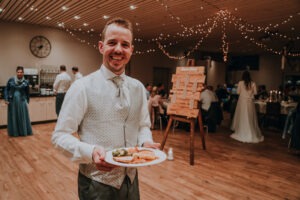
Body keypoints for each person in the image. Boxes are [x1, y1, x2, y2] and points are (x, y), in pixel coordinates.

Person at [52, 17, 160, 200]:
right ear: (101, 47)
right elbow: (59, 136)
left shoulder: (138, 88)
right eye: (112, 43)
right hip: (96, 183)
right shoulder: (82, 87)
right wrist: (91, 152)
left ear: (131, 50)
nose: (118, 49)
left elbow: (142, 126)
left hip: (131, 180)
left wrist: (145, 143)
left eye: (125, 45)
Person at [230, 70, 264, 143]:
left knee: (242, 116)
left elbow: (238, 92)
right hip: (249, 101)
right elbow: (255, 93)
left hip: (242, 101)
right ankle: (251, 132)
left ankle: (242, 130)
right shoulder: (253, 83)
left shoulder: (240, 83)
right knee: (250, 116)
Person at [4, 66, 32, 137]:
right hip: (12, 100)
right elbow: (6, 89)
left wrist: (27, 100)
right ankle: (14, 132)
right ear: (16, 72)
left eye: (21, 72)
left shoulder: (26, 81)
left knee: (23, 116)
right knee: (14, 116)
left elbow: (27, 92)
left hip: (22, 100)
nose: (19, 73)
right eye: (18, 72)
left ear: (23, 73)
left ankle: (23, 132)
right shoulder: (11, 80)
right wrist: (6, 99)